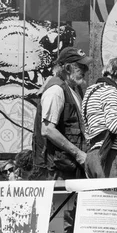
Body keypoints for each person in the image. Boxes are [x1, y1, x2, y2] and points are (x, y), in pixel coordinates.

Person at [36, 46, 92, 180]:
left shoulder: (74, 90)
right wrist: (78, 154)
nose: (86, 70)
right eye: (81, 66)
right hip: (59, 170)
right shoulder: (56, 91)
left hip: (70, 166)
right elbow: (48, 130)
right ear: (67, 69)